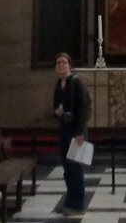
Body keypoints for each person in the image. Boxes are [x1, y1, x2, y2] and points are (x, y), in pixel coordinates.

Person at [53, 53, 90, 215]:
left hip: (76, 131)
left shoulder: (76, 83)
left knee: (75, 167)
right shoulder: (58, 84)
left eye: (64, 62)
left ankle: (78, 203)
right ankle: (69, 200)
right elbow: (55, 105)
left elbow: (83, 108)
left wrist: (80, 132)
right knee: (67, 168)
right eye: (58, 63)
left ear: (69, 65)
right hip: (64, 129)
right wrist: (57, 112)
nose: (61, 65)